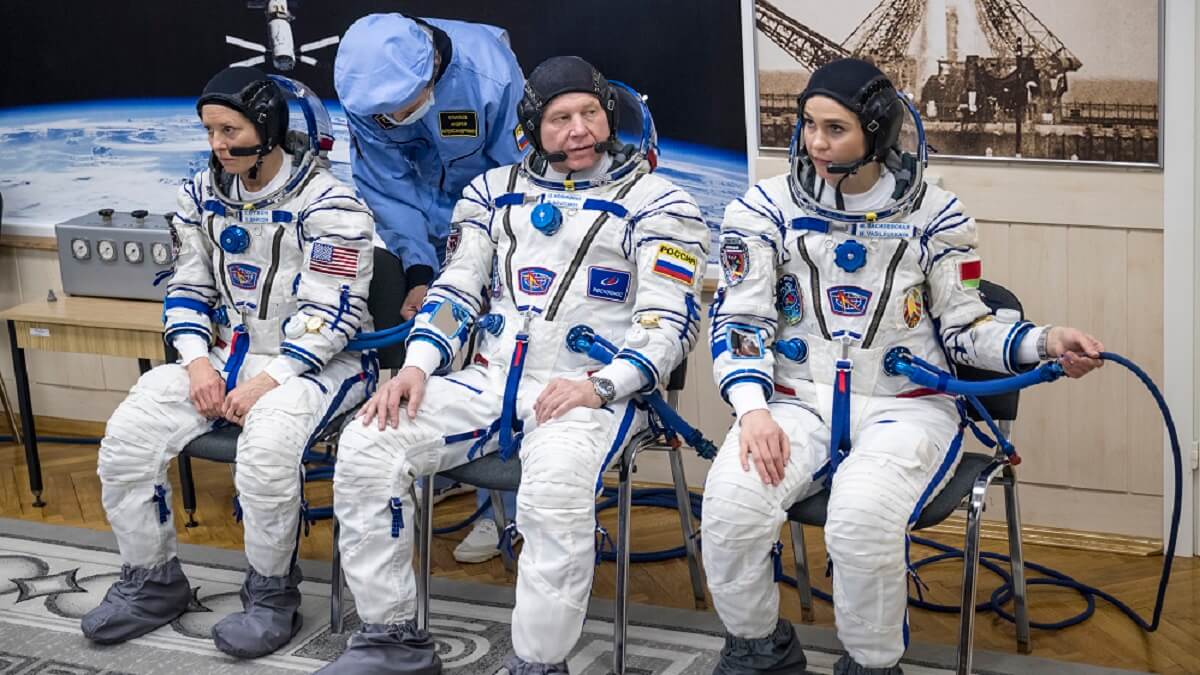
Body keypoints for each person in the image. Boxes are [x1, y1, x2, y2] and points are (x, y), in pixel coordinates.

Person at [701, 58, 1105, 674]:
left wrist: (1045, 343)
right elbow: (741, 320)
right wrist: (753, 411)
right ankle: (760, 646)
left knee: (860, 522)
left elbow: (968, 333)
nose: (814, 142)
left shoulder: (938, 217)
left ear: (876, 131)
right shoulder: (764, 210)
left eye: (834, 128)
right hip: (792, 401)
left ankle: (870, 663)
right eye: (808, 124)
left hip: (905, 406)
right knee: (731, 505)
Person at [320, 56, 709, 674]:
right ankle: (391, 637)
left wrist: (603, 384)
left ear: (608, 117)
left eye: (589, 113)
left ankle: (538, 662)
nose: (578, 129)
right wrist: (417, 367)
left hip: (593, 392)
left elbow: (669, 323)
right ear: (531, 128)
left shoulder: (661, 202)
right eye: (560, 118)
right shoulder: (492, 193)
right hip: (492, 378)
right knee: (369, 442)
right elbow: (456, 289)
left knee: (553, 491)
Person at [80, 66, 376, 659]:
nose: (218, 144)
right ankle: (152, 580)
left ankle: (271, 596)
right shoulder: (200, 196)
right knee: (128, 438)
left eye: (229, 129)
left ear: (267, 127)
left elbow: (334, 313)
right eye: (210, 131)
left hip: (324, 365)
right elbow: (187, 287)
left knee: (266, 452)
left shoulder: (332, 204)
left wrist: (269, 379)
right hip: (226, 355)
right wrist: (196, 363)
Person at [334, 13, 524, 553]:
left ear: (432, 73)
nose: (392, 118)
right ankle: (442, 471)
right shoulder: (366, 91)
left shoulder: (490, 77)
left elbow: (519, 177)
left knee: (504, 362)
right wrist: (420, 270)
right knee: (439, 352)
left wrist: (494, 259)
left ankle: (502, 513)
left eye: (404, 105)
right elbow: (386, 187)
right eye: (382, 114)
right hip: (431, 229)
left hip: (501, 227)